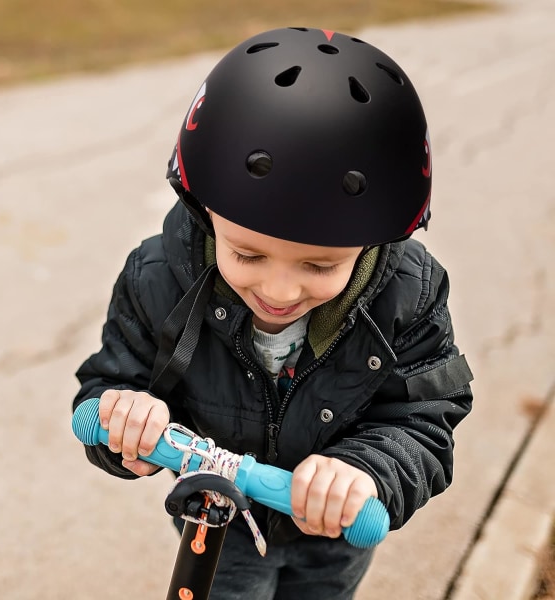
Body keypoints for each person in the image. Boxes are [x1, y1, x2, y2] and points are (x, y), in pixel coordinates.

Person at [73, 27, 473, 599]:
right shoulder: (158, 276)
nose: (280, 290)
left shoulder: (407, 295)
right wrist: (124, 421)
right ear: (204, 209)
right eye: (248, 254)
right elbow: (110, 381)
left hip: (331, 532)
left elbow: (426, 417)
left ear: (378, 242)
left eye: (318, 265)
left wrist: (366, 470)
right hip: (218, 523)